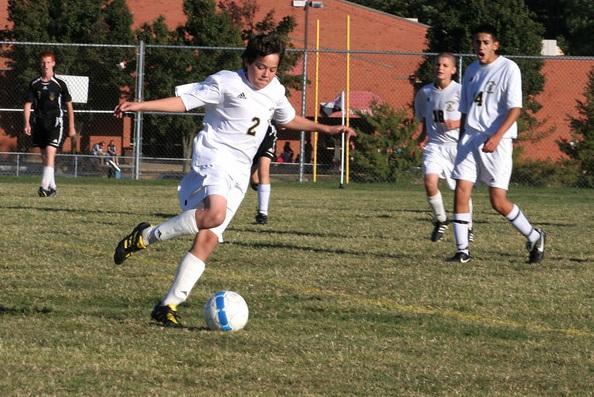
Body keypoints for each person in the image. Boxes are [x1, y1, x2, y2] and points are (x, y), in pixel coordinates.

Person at [112, 33, 356, 327]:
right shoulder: (226, 82)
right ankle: (145, 236)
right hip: (214, 157)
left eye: (273, 69)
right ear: (247, 62)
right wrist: (139, 105)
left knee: (207, 240)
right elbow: (184, 102)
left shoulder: (275, 90)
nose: (266, 74)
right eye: (261, 67)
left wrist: (326, 130)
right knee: (213, 214)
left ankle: (167, 305)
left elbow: (288, 119)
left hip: (240, 171)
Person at [450, 24, 545, 263]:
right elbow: (465, 109)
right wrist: (461, 137)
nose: (480, 47)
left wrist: (497, 136)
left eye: (485, 42)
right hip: (470, 138)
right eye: (477, 42)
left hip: (496, 141)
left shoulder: (508, 68)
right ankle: (462, 251)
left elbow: (515, 109)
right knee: (461, 189)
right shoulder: (470, 70)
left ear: (495, 45)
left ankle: (535, 236)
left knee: (498, 201)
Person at [414, 53, 473, 242]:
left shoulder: (461, 91)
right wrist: (423, 136)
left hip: (457, 147)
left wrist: (456, 124)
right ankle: (441, 220)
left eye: (446, 65)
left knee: (460, 191)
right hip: (435, 146)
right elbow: (425, 117)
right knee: (429, 181)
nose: (441, 68)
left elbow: (472, 117)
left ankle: (468, 227)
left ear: (454, 70)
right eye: (438, 64)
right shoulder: (425, 92)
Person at [23, 51, 76, 197]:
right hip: (39, 122)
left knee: (50, 152)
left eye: (48, 62)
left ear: (53, 63)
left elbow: (69, 106)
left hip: (55, 122)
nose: (46, 65)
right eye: (43, 62)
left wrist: (72, 126)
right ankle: (52, 187)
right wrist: (27, 123)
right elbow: (28, 104)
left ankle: (43, 187)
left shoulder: (60, 84)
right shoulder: (34, 84)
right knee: (44, 156)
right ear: (40, 64)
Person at [250, 124, 277, 225]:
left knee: (264, 169)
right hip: (249, 133)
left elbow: (283, 122)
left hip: (268, 133)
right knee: (254, 179)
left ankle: (262, 214)